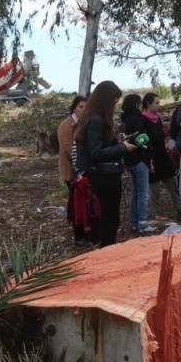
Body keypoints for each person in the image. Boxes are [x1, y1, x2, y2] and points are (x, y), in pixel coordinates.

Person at [73, 81, 137, 247]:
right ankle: (106, 255)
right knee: (108, 221)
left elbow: (100, 147)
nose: (115, 106)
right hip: (104, 179)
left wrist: (117, 142)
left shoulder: (92, 119)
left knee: (107, 221)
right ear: (106, 101)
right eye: (114, 102)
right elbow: (96, 152)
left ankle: (106, 250)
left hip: (103, 177)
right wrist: (122, 148)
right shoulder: (96, 120)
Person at [141, 93, 181, 222]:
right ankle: (156, 213)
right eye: (156, 103)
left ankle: (179, 207)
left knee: (172, 182)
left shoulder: (157, 118)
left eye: (159, 102)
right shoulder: (142, 120)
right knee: (155, 188)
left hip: (163, 155)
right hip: (152, 156)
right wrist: (148, 158)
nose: (159, 105)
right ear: (148, 104)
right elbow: (144, 141)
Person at [120, 93, 154, 234]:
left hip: (129, 160)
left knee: (135, 193)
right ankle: (143, 223)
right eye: (140, 104)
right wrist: (148, 150)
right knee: (142, 193)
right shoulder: (137, 120)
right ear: (136, 105)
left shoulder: (125, 121)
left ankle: (134, 223)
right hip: (140, 159)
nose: (142, 106)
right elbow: (143, 139)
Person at [58, 95, 88, 245]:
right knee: (76, 204)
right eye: (81, 106)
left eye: (86, 107)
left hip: (84, 171)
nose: (84, 109)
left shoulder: (85, 124)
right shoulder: (66, 125)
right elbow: (68, 150)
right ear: (74, 108)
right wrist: (81, 166)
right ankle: (79, 236)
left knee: (85, 203)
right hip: (72, 171)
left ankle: (86, 232)